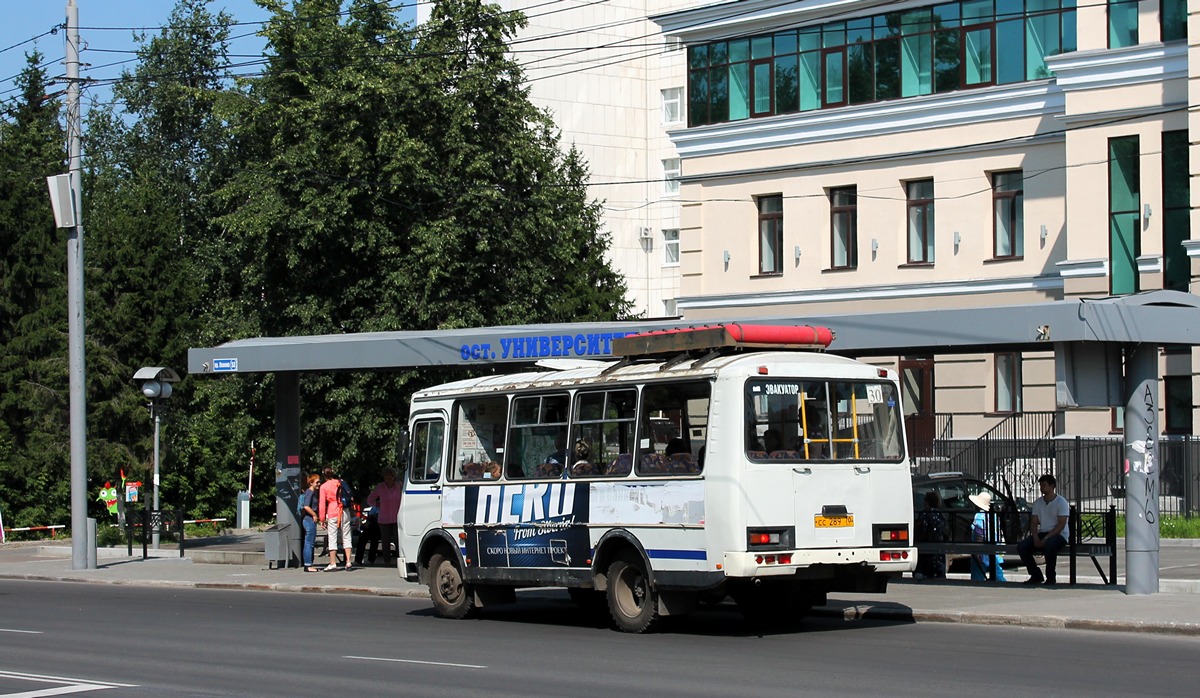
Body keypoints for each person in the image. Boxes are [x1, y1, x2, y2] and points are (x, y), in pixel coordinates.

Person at [1018, 473, 1070, 585]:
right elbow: (1034, 523)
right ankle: (1035, 574)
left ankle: (1051, 577)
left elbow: (1061, 525)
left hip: (1059, 535)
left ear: (1052, 486)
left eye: (1044, 485)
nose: (1042, 488)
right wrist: (1036, 537)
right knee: (1022, 546)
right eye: (1041, 485)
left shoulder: (1061, 502)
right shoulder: (1038, 503)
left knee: (1049, 545)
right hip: (1043, 532)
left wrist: (1046, 538)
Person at [318, 466, 354, 571]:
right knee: (346, 536)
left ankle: (333, 563)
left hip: (333, 511)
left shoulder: (324, 487)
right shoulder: (340, 482)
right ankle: (348, 562)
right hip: (344, 511)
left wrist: (322, 519)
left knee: (332, 537)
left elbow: (322, 505)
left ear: (323, 475)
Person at [365, 467, 401, 566]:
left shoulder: (399, 486)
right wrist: (378, 505)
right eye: (386, 478)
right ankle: (387, 561)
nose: (387, 480)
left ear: (393, 477)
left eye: (389, 478)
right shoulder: (380, 487)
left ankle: (400, 560)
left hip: (397, 517)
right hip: (384, 518)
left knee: (398, 540)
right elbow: (370, 500)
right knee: (385, 542)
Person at [969, 491, 1007, 582]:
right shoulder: (993, 515)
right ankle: (1002, 583)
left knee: (977, 570)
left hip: (982, 547)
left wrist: (977, 550)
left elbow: (979, 534)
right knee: (996, 569)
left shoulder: (978, 516)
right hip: (993, 545)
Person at [914, 491, 946, 580]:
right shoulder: (940, 515)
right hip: (939, 546)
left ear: (927, 502)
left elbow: (922, 530)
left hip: (926, 545)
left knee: (926, 567)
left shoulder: (925, 514)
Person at [299, 473, 321, 573]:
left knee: (309, 542)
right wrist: (314, 515)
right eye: (317, 482)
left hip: (308, 520)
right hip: (308, 520)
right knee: (309, 543)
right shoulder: (310, 492)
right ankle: (308, 565)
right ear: (311, 483)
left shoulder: (312, 492)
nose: (319, 484)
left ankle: (308, 564)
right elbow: (306, 506)